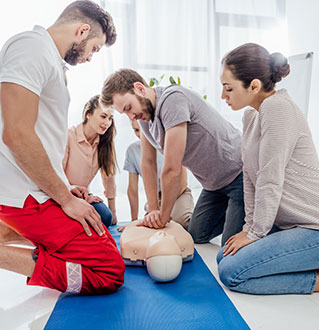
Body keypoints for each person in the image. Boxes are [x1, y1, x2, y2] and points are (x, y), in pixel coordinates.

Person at [0, 0, 125, 295]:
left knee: (100, 231)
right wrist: (65, 200)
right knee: (109, 271)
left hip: (36, 190)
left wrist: (65, 188)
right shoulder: (31, 48)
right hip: (24, 196)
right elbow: (16, 134)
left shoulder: (48, 59)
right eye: (94, 48)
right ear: (82, 31)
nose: (91, 57)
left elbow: (40, 136)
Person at [216, 42, 319, 295]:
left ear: (254, 86)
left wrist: (256, 234)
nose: (223, 95)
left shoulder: (277, 108)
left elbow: (270, 177)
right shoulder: (251, 116)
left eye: (228, 88)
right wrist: (249, 229)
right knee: (224, 257)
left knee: (231, 273)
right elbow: (250, 178)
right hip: (293, 224)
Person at [101, 69, 245, 245]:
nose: (131, 116)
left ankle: (257, 215)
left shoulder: (172, 100)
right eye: (125, 113)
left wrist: (163, 216)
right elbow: (148, 163)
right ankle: (236, 212)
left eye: (129, 108)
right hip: (213, 184)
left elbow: (172, 168)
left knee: (228, 247)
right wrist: (152, 209)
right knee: (196, 235)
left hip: (239, 173)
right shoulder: (144, 119)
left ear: (139, 88)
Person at [123, 119, 194, 230]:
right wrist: (134, 221)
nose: (141, 134)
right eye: (136, 130)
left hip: (179, 193)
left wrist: (167, 210)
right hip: (156, 197)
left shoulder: (168, 144)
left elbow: (182, 181)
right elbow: (132, 189)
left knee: (183, 223)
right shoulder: (132, 150)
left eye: (143, 130)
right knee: (155, 223)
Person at [63, 94, 118, 227]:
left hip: (84, 196)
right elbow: (57, 172)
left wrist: (113, 211)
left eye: (110, 118)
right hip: (62, 194)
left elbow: (108, 176)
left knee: (106, 217)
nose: (107, 123)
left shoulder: (104, 143)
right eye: (103, 116)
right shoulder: (68, 136)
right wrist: (74, 195)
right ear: (88, 114)